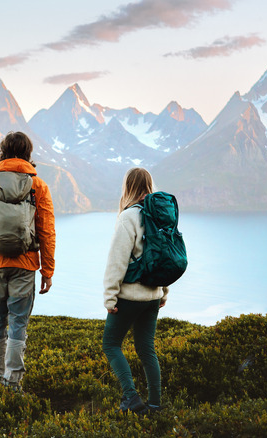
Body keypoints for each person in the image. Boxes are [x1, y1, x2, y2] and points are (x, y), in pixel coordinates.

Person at [0, 131, 55, 392]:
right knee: (18, 323)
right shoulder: (37, 186)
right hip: (25, 264)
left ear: (2, 151)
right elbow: (46, 231)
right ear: (28, 153)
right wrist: (47, 271)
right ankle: (13, 381)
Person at [103, 167, 168, 414]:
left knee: (111, 344)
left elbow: (116, 261)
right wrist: (163, 290)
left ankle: (131, 398)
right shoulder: (160, 215)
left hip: (129, 297)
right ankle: (155, 404)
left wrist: (110, 297)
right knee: (146, 349)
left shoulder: (128, 217)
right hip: (153, 296)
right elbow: (163, 257)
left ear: (128, 187)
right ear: (150, 186)